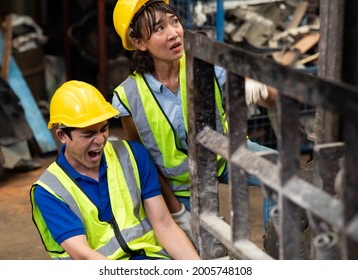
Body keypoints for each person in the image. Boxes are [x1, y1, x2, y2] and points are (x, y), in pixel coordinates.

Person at [111, 0, 278, 241]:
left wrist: (259, 87)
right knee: (206, 248)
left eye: (175, 22)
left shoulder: (204, 65)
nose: (174, 34)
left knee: (280, 171)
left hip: (224, 154)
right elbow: (143, 162)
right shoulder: (128, 96)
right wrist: (176, 211)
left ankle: (276, 249)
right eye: (159, 29)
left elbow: (274, 101)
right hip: (180, 185)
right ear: (139, 42)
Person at [30, 80, 200, 260]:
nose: (100, 140)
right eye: (88, 134)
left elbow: (165, 226)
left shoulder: (133, 155)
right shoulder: (49, 190)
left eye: (103, 129)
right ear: (62, 135)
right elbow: (83, 256)